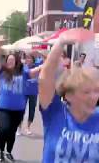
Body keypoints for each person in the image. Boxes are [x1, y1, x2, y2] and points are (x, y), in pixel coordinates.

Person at [38, 28, 99, 162]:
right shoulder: (55, 114)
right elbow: (45, 78)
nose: (93, 97)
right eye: (86, 92)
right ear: (69, 95)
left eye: (96, 91)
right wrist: (61, 43)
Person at [0, 36, 42, 163]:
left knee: (12, 131)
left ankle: (8, 152)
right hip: (3, 107)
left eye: (12, 60)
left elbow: (38, 70)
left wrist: (46, 56)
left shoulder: (24, 72)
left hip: (18, 108)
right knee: (4, 129)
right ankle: (1, 151)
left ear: (17, 62)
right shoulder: (2, 72)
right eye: (8, 60)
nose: (10, 62)